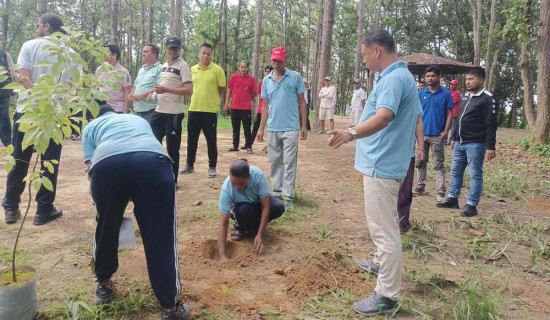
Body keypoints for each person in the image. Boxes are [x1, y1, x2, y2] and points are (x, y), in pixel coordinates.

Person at [327, 29, 419, 316]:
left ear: (377, 50)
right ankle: (381, 263)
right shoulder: (403, 77)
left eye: (365, 55)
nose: (364, 61)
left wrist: (350, 132)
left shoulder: (393, 78)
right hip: (388, 162)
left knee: (384, 231)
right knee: (385, 223)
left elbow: (383, 116)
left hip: (383, 164)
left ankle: (386, 296)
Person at [82, 105, 190, 320]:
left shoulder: (90, 127)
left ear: (98, 116)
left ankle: (103, 286)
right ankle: (170, 307)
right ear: (116, 113)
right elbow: (141, 153)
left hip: (107, 166)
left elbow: (90, 167)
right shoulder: (136, 120)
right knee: (161, 234)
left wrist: (110, 206)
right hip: (152, 164)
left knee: (105, 226)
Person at [3, 13, 77, 225]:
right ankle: (43, 210)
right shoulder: (70, 53)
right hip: (55, 115)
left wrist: (39, 98)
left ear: (47, 26)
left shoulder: (30, 45)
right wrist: (58, 104)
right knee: (50, 162)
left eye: (38, 25)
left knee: (19, 158)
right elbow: (74, 88)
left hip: (28, 113)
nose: (37, 28)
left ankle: (11, 206)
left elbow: (23, 77)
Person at [437, 68, 498, 217]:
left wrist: (491, 147)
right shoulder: (465, 97)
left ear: (481, 80)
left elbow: (491, 124)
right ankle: (453, 198)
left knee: (474, 174)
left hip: (476, 143)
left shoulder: (488, 99)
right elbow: (458, 119)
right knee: (456, 171)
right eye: (467, 79)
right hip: (460, 143)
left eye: (471, 79)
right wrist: (454, 138)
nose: (468, 82)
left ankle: (472, 205)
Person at [256, 47, 308, 207]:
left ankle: (288, 195)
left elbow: (302, 102)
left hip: (291, 128)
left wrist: (303, 125)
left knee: (289, 162)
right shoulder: (267, 80)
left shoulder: (295, 77)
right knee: (274, 161)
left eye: (279, 60)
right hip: (273, 128)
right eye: (274, 60)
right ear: (271, 61)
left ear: (285, 60)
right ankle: (277, 192)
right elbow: (265, 106)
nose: (276, 63)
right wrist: (260, 128)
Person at [217, 159, 285, 260]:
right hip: (242, 207)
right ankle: (240, 226)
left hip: (257, 203)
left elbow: (265, 207)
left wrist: (260, 234)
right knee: (243, 211)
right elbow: (223, 224)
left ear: (248, 178)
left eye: (241, 184)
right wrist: (222, 255)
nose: (237, 187)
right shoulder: (227, 189)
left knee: (278, 207)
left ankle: (255, 228)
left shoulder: (258, 176)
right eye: (233, 183)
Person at [150, 37, 193, 185]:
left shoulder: (183, 66)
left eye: (176, 48)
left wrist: (167, 89)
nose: (173, 51)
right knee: (152, 144)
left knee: (172, 148)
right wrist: (152, 93)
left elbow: (189, 90)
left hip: (173, 113)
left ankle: (172, 181)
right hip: (159, 111)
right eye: (170, 48)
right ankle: (156, 175)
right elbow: (162, 85)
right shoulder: (163, 66)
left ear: (180, 50)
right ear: (165, 49)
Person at [180, 43, 226, 178]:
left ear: (212, 55)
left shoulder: (217, 70)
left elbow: (221, 87)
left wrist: (215, 100)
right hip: (194, 109)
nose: (206, 56)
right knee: (191, 139)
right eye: (203, 53)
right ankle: (190, 164)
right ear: (199, 54)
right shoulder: (192, 69)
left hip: (210, 111)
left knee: (211, 140)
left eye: (209, 54)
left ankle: (212, 166)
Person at [413, 66, 453, 202]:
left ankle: (441, 191)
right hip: (422, 134)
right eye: (428, 76)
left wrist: (446, 131)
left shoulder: (446, 94)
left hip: (437, 135)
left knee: (439, 164)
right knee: (420, 162)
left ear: (438, 77)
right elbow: (416, 115)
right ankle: (420, 186)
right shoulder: (420, 94)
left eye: (433, 76)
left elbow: (449, 113)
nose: (430, 78)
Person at [397, 116, 425, 233]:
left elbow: (418, 121)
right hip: (385, 152)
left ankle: (402, 223)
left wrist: (421, 147)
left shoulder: (412, 98)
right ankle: (386, 223)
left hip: (406, 152)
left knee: (405, 190)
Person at [224, 62, 256, 154]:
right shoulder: (234, 77)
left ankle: (248, 146)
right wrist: (227, 104)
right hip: (234, 107)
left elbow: (254, 92)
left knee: (247, 128)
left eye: (245, 67)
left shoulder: (251, 79)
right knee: (235, 128)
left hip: (246, 108)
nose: (243, 69)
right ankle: (235, 146)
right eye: (241, 67)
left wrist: (249, 98)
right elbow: (229, 90)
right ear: (239, 68)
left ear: (247, 68)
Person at [129, 44, 162, 124]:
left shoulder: (160, 68)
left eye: (146, 52)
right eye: (143, 52)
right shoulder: (141, 69)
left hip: (151, 111)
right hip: (137, 110)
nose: (143, 54)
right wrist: (131, 94)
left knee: (149, 135)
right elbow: (135, 85)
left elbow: (159, 87)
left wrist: (142, 95)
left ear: (154, 54)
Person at [95, 44, 132, 114]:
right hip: (101, 108)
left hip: (117, 109)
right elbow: (96, 88)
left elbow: (127, 91)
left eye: (105, 53)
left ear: (114, 55)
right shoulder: (99, 70)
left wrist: (126, 110)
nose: (103, 55)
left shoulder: (123, 71)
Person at [251, 65, 273, 145]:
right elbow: (260, 96)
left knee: (271, 127)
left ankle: (269, 145)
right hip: (262, 108)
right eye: (266, 71)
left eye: (269, 71)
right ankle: (249, 144)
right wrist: (259, 106)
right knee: (256, 126)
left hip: (271, 108)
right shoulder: (262, 82)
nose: (267, 73)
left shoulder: (274, 82)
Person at [0, 49, 14, 147]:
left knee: (4, 115)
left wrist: (13, 86)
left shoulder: (5, 55)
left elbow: (12, 71)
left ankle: (8, 142)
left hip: (3, 89)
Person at [448, 79, 462, 144]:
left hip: (455, 112)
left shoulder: (457, 93)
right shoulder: (450, 92)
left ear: (456, 85)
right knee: (448, 126)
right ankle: (447, 140)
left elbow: (452, 102)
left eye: (453, 85)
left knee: (453, 127)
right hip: (449, 112)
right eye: (451, 84)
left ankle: (452, 139)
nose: (451, 86)